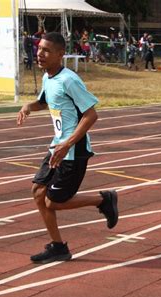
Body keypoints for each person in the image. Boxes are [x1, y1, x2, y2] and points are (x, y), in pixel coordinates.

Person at [16, 32, 120, 264]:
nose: (40, 54)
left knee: (53, 201)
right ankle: (58, 247)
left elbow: (91, 114)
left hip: (73, 151)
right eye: (39, 48)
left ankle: (103, 200)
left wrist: (68, 143)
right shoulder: (48, 78)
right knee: (37, 192)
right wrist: (28, 106)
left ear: (60, 54)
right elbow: (44, 102)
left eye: (46, 51)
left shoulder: (69, 80)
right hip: (58, 147)